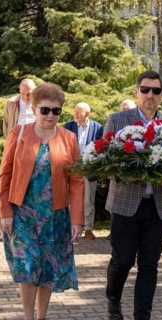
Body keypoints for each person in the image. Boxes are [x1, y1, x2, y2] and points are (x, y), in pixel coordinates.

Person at [0, 82, 84, 320]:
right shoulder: (19, 133)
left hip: (55, 215)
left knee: (47, 268)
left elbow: (77, 180)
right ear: (34, 108)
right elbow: (5, 174)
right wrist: (5, 212)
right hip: (22, 213)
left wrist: (77, 219)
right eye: (44, 110)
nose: (50, 115)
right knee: (27, 268)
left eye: (56, 111)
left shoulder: (68, 139)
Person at [104, 70, 162, 320]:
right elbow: (108, 165)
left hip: (159, 207)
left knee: (149, 265)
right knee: (123, 260)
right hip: (126, 204)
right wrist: (129, 172)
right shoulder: (118, 120)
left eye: (156, 91)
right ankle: (113, 298)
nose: (150, 95)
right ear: (137, 91)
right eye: (146, 89)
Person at [64, 102, 103, 240]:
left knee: (88, 200)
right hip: (72, 169)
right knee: (70, 198)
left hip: (89, 169)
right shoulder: (68, 126)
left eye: (78, 111)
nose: (75, 113)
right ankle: (69, 227)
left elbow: (101, 149)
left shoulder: (98, 128)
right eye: (74, 110)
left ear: (87, 114)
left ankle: (88, 228)